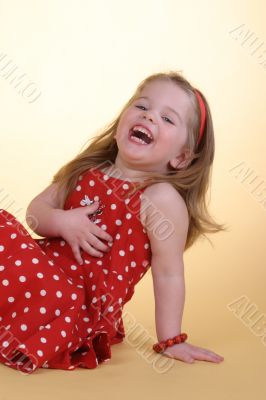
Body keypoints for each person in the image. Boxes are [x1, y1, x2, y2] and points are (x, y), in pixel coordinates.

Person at [0, 71, 226, 374]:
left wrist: (170, 339)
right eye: (142, 107)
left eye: (168, 119)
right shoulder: (85, 171)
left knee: (50, 290)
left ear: (181, 158)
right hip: (42, 270)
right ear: (121, 124)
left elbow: (169, 273)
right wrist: (61, 221)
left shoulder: (159, 198)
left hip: (76, 301)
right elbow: (35, 212)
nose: (149, 118)